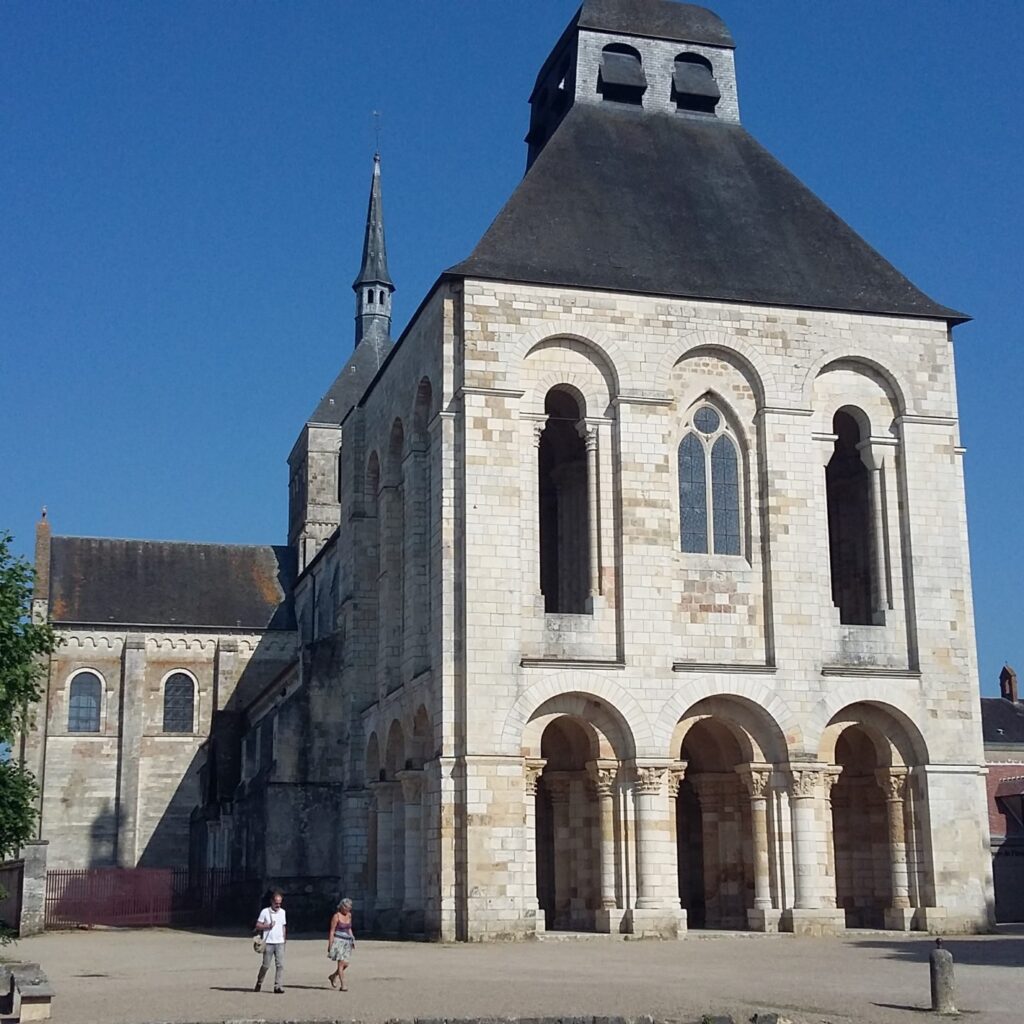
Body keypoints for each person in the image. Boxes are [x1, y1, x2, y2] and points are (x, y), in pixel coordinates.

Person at [254, 890, 287, 994]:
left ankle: (278, 986)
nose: (278, 905)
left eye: (279, 903)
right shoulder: (265, 912)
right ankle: (259, 981)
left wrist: (284, 939)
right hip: (268, 942)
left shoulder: (283, 912)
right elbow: (258, 925)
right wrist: (267, 926)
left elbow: (283, 926)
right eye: (276, 903)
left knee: (280, 965)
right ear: (271, 901)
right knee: (266, 965)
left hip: (280, 942)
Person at [326, 897, 355, 991]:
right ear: (342, 907)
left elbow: (349, 928)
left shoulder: (349, 915)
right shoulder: (336, 916)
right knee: (341, 964)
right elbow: (332, 931)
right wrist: (330, 944)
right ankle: (343, 985)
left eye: (349, 908)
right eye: (346, 907)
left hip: (347, 942)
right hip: (338, 941)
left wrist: (352, 939)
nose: (348, 910)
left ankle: (333, 976)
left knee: (346, 964)